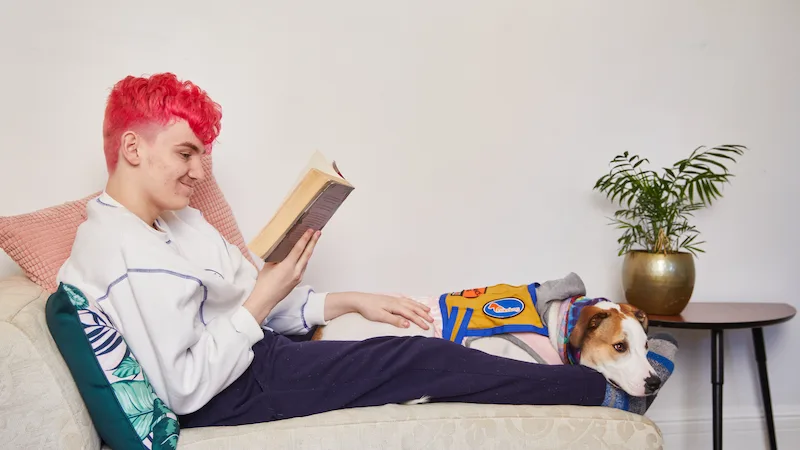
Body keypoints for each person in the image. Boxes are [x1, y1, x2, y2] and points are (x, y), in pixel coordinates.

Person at [57, 72, 675, 429]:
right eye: (185, 153)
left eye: (203, 157)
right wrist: (257, 305)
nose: (198, 172)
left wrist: (350, 300)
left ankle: (563, 358)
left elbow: (252, 300)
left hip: (256, 358)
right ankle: (602, 392)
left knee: (416, 343)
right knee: (420, 362)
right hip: (232, 391)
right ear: (133, 150)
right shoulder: (120, 253)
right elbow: (184, 388)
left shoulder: (175, 224)